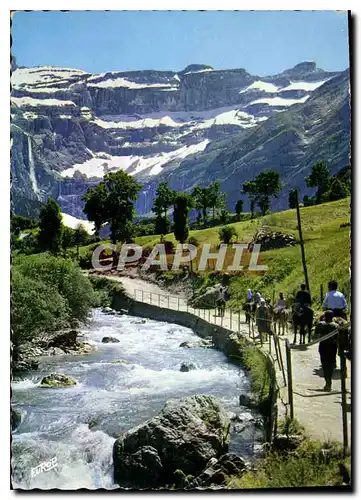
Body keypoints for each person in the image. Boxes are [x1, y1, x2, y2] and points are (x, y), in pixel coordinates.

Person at [314, 310, 339, 391]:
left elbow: (315, 336)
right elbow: (338, 338)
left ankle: (327, 382)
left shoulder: (320, 324)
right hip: (333, 347)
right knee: (331, 364)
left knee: (324, 364)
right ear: (333, 317)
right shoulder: (336, 326)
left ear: (324, 316)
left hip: (323, 347)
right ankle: (329, 382)